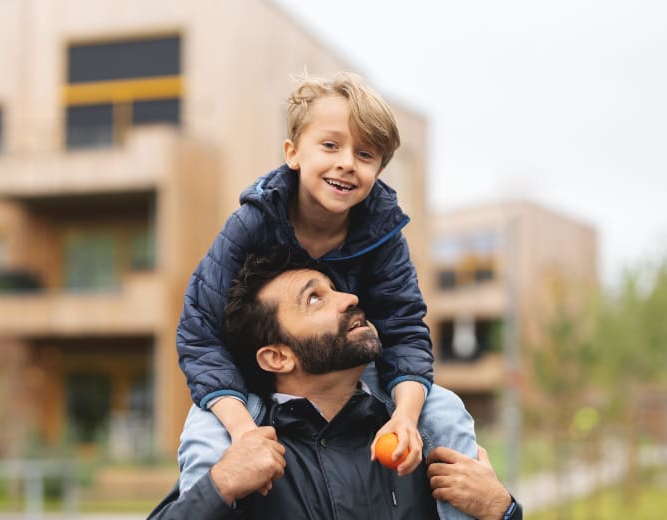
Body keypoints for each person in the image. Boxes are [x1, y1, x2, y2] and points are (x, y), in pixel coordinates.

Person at [176, 71, 477, 518]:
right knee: (205, 435)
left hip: (350, 367)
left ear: (378, 169)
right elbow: (199, 333)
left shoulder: (384, 236)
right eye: (331, 146)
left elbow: (405, 331)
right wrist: (241, 428)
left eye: (365, 153)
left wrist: (405, 417)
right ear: (293, 153)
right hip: (253, 379)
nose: (347, 163)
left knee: (446, 408)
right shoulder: (251, 224)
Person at [149, 251, 522, 519]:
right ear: (277, 357)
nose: (349, 299)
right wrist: (220, 486)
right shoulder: (235, 458)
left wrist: (500, 510)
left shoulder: (424, 433)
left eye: (335, 288)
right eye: (315, 298)